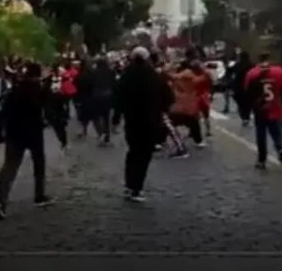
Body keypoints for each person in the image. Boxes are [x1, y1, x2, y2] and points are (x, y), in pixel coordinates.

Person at [0, 62, 54, 220]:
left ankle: (1, 199)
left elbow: (4, 109)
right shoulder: (38, 90)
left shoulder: (16, 89)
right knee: (39, 164)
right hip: (33, 132)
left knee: (9, 167)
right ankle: (39, 195)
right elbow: (46, 104)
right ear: (38, 74)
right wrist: (47, 84)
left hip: (15, 133)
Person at [117, 47, 171, 201]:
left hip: (132, 120)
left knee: (133, 153)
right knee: (144, 155)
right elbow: (168, 96)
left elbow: (118, 96)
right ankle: (137, 188)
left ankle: (129, 186)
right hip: (149, 121)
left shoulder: (127, 75)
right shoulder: (153, 76)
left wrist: (117, 117)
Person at [243, 53, 282, 169]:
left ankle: (261, 160)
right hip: (275, 106)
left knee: (261, 134)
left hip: (260, 108)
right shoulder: (278, 72)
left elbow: (247, 91)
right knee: (277, 133)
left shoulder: (251, 73)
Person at [167, 59, 206, 152]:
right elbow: (203, 80)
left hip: (175, 107)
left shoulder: (175, 79)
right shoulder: (193, 79)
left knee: (168, 124)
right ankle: (198, 141)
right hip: (188, 108)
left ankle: (158, 141)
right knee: (194, 123)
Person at [87, 57, 117, 144]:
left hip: (96, 97)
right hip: (107, 96)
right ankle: (107, 133)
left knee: (96, 116)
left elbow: (90, 85)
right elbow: (114, 84)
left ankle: (101, 133)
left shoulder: (93, 73)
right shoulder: (110, 72)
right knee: (106, 117)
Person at [45, 64, 70, 152]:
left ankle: (64, 142)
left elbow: (66, 89)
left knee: (60, 126)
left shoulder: (61, 79)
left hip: (59, 105)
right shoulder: (46, 82)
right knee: (57, 126)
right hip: (51, 107)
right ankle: (63, 142)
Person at [229, 51, 255, 126]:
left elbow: (229, 70)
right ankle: (246, 116)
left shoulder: (238, 65)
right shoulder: (252, 65)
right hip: (250, 88)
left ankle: (244, 116)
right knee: (248, 103)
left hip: (239, 88)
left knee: (240, 103)